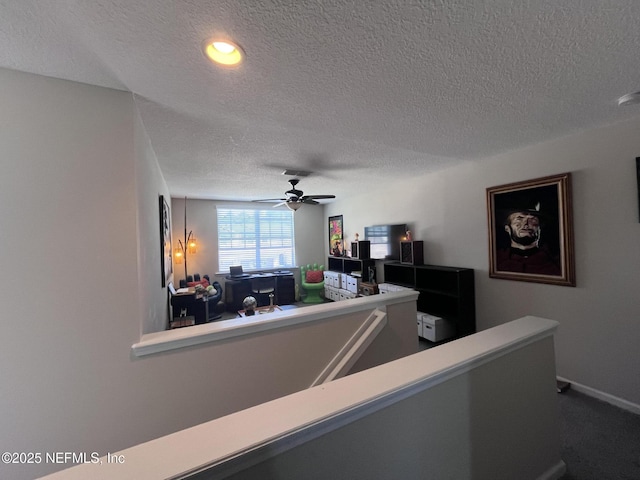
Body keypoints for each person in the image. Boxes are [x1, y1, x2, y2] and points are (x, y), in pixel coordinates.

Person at [496, 203, 561, 276]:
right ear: (507, 228)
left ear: (539, 228)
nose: (526, 224)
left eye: (532, 219)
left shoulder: (556, 263)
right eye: (519, 219)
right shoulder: (497, 260)